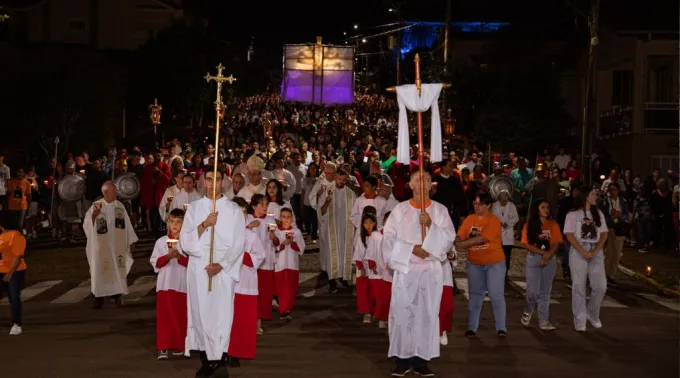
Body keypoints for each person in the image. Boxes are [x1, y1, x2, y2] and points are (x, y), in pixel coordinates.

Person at [383, 172, 455, 377]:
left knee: (426, 314)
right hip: (406, 271)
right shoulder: (400, 210)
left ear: (431, 184)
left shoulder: (439, 210)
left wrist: (431, 225)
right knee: (402, 314)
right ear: (410, 184)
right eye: (417, 179)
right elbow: (388, 239)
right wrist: (411, 248)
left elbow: (449, 239)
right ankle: (402, 359)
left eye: (426, 179)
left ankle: (422, 359)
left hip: (429, 272)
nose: (422, 182)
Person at [180, 169, 246, 377]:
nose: (212, 183)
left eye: (216, 179)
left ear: (223, 182)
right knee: (201, 312)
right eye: (208, 179)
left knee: (220, 313)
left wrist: (222, 265)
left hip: (223, 269)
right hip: (199, 266)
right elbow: (185, 241)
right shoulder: (195, 209)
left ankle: (219, 357)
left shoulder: (234, 209)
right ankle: (206, 359)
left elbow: (239, 243)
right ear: (203, 182)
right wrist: (204, 224)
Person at [456, 193, 507, 338]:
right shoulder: (470, 219)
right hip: (474, 263)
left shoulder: (494, 220)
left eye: (480, 204)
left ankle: (501, 327)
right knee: (475, 295)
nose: (476, 206)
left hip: (494, 262)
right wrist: (458, 239)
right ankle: (472, 327)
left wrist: (460, 244)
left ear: (488, 205)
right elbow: (461, 234)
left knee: (495, 294)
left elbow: (482, 239)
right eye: (475, 203)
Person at [83, 181, 138, 309]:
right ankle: (98, 298)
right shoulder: (96, 206)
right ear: (105, 192)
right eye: (114, 191)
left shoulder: (119, 206)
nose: (116, 193)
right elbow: (86, 226)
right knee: (100, 271)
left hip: (116, 246)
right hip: (101, 247)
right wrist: (93, 217)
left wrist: (131, 241)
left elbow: (127, 224)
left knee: (118, 270)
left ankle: (117, 296)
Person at [227, 197, 266, 368]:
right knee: (228, 319)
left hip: (246, 282)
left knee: (242, 321)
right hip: (227, 284)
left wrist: (242, 255)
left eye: (243, 213)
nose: (240, 217)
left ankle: (238, 351)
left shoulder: (251, 236)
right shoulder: (224, 235)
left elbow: (260, 256)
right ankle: (224, 351)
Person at [564, 186, 608, 332]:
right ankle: (579, 320)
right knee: (579, 286)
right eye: (593, 194)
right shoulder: (573, 215)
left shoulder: (598, 213)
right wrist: (582, 251)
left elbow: (604, 234)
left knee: (601, 286)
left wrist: (596, 250)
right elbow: (569, 235)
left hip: (595, 251)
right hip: (578, 251)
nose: (596, 196)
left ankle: (592, 313)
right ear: (585, 196)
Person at [150, 208, 188, 359]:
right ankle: (163, 347)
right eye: (172, 221)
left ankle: (179, 344)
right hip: (165, 285)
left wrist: (178, 256)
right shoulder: (161, 242)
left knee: (180, 315)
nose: (175, 224)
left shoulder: (187, 243)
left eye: (178, 222)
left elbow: (192, 264)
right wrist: (167, 256)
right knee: (164, 316)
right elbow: (155, 263)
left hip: (182, 285)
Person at [520, 199, 562, 330]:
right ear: (536, 209)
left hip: (549, 260)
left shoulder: (553, 224)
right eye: (543, 207)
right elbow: (526, 244)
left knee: (545, 292)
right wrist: (542, 253)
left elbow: (556, 242)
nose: (546, 210)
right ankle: (528, 310)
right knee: (532, 291)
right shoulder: (529, 225)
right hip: (534, 258)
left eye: (548, 207)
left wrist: (549, 254)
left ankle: (543, 320)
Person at [318, 169, 356, 293]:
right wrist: (327, 202)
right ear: (335, 178)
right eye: (339, 179)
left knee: (345, 252)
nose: (342, 182)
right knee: (332, 253)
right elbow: (321, 212)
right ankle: (332, 280)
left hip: (346, 229)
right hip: (331, 229)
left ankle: (344, 278)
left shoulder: (351, 194)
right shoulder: (327, 192)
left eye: (344, 180)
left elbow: (355, 214)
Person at [246, 194, 276, 334]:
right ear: (254, 206)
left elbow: (277, 242)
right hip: (250, 262)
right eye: (262, 204)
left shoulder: (270, 220)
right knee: (251, 293)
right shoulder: (247, 219)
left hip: (265, 262)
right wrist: (249, 226)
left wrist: (273, 237)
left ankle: (258, 322)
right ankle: (249, 320)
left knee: (263, 294)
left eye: (266, 204)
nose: (265, 207)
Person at [271, 207, 305, 321]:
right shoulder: (276, 232)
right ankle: (283, 310)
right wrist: (283, 244)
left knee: (291, 288)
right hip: (280, 264)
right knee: (282, 288)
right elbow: (273, 248)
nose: (286, 219)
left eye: (288, 217)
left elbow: (301, 248)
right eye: (283, 217)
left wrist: (292, 243)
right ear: (280, 218)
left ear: (292, 218)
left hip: (292, 265)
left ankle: (288, 309)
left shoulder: (296, 232)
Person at [0, 214, 27, 335]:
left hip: (15, 271)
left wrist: (10, 272)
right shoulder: (1, 235)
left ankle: (17, 323)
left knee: (14, 297)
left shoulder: (16, 236)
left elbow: (18, 256)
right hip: (1, 269)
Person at [353, 206, 378, 324]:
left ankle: (377, 313)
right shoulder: (360, 238)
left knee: (375, 291)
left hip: (375, 269)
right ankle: (367, 313)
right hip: (363, 269)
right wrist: (361, 268)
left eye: (370, 222)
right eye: (365, 223)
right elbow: (357, 254)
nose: (368, 225)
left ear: (375, 223)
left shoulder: (378, 236)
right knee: (364, 293)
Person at [369, 211, 391, 329]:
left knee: (391, 298)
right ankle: (382, 318)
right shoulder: (376, 236)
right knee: (381, 297)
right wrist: (372, 263)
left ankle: (391, 319)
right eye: (386, 220)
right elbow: (371, 250)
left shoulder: (398, 236)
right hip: (379, 271)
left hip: (392, 272)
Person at [490, 191, 519, 280]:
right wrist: (500, 223)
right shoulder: (494, 206)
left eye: (505, 201)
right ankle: (497, 272)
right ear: (499, 200)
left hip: (508, 234)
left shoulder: (511, 206)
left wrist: (508, 224)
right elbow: (492, 217)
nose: (504, 203)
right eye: (502, 201)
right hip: (497, 234)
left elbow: (516, 218)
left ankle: (505, 273)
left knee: (507, 255)